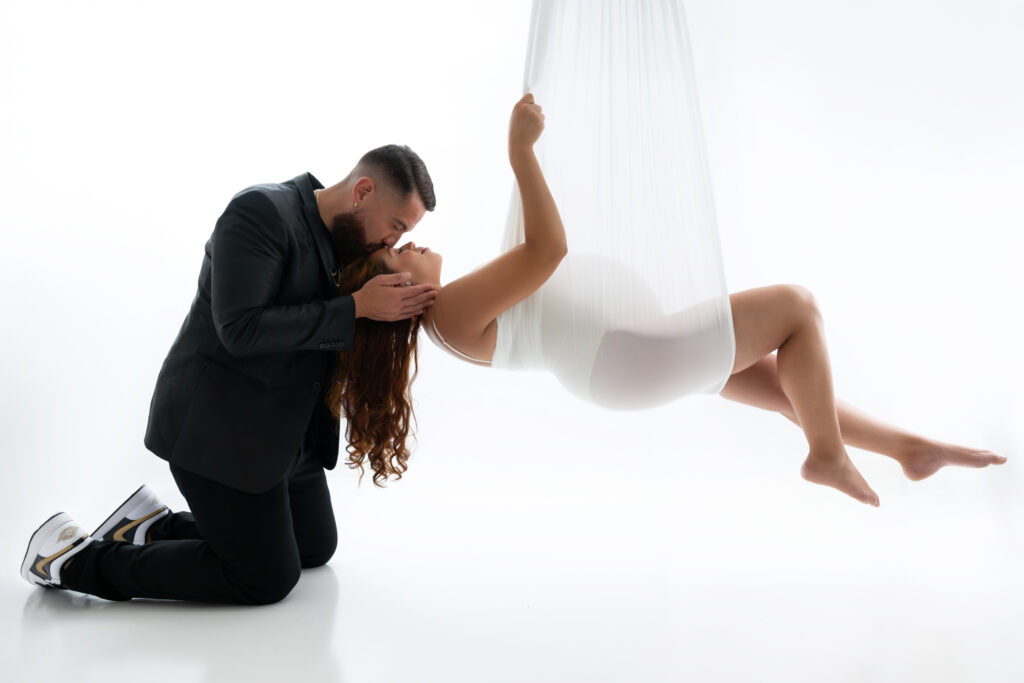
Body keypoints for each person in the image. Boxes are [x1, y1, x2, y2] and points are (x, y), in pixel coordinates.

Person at [324, 93, 1007, 506]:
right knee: (796, 308)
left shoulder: (448, 314)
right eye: (397, 249)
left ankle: (907, 448)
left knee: (783, 387)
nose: (410, 243)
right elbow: (546, 251)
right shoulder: (445, 312)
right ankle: (825, 455)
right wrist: (521, 154)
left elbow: (540, 267)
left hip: (629, 354)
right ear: (396, 291)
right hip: (624, 357)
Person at [21, 146, 440, 604]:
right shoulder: (261, 212)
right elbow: (240, 329)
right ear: (363, 191)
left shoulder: (348, 241)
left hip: (285, 435)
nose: (393, 241)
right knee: (266, 579)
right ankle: (71, 559)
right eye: (397, 226)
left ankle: (149, 525)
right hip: (217, 433)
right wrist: (356, 307)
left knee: (315, 547)